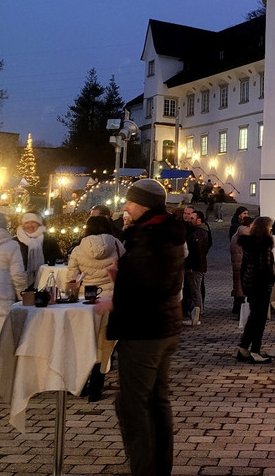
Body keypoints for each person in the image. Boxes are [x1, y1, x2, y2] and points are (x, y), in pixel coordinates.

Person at [104, 178, 185, 476]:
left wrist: (118, 281)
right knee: (157, 400)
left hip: (144, 329)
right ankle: (160, 467)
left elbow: (143, 286)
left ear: (145, 205)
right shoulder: (168, 232)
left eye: (130, 201)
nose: (125, 206)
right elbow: (157, 278)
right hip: (165, 325)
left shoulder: (149, 235)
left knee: (134, 406)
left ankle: (144, 470)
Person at [68, 215, 125, 401]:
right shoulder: (116, 244)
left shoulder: (78, 249)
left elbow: (70, 279)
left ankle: (81, 384)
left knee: (84, 343)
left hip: (86, 302)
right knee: (104, 346)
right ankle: (96, 388)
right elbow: (125, 269)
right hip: (109, 300)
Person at [235, 216, 275, 364]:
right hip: (261, 285)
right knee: (259, 319)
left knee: (254, 317)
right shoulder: (263, 245)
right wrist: (271, 280)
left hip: (250, 284)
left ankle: (244, 348)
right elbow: (265, 267)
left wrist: (245, 284)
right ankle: (255, 350)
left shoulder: (248, 244)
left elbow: (245, 266)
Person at [0, 212, 26, 330]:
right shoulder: (12, 245)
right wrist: (22, 296)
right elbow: (18, 275)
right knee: (4, 328)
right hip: (4, 292)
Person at [14, 212, 65, 286]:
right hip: (21, 283)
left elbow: (58, 259)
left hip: (45, 282)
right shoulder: (15, 242)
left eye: (33, 222)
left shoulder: (49, 241)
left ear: (39, 224)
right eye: (27, 223)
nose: (30, 225)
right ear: (22, 225)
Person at [182, 210, 208, 326]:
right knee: (193, 290)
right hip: (197, 266)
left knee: (195, 291)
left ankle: (197, 314)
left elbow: (196, 252)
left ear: (199, 220)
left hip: (196, 268)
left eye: (192, 218)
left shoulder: (199, 233)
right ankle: (196, 313)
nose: (189, 220)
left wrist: (191, 266)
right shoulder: (196, 232)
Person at [229, 213, 252, 317]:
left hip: (236, 263)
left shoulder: (235, 235)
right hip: (243, 263)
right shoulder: (247, 236)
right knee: (242, 288)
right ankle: (240, 311)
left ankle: (236, 308)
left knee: (238, 286)